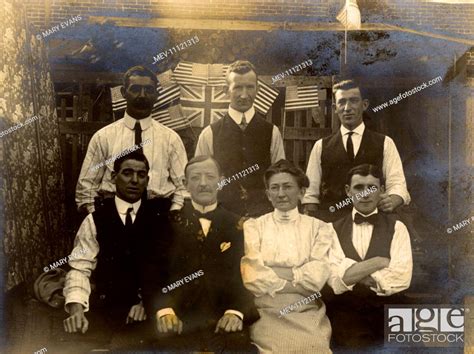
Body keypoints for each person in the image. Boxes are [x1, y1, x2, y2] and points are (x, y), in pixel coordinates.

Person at [142, 155, 260, 352]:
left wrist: (235, 311)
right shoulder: (166, 223)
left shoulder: (240, 225)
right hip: (177, 322)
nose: (203, 183)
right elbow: (152, 275)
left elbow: (250, 276)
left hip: (223, 323)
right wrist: (164, 310)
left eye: (210, 177)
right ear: (185, 184)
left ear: (221, 181)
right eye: (195, 178)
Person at [63, 152, 167, 350]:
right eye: (127, 173)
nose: (135, 180)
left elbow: (169, 269)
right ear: (113, 177)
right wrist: (76, 309)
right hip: (106, 312)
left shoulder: (161, 219)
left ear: (148, 179)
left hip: (149, 314)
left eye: (141, 174)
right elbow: (79, 269)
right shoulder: (95, 220)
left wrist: (149, 301)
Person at [241, 159, 333, 353]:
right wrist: (298, 278)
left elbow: (317, 278)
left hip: (306, 308)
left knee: (314, 346)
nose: (281, 194)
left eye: (287, 187)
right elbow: (253, 276)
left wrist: (273, 270)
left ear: (301, 192)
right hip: (265, 309)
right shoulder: (254, 226)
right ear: (268, 194)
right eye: (274, 188)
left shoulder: (319, 228)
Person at [76, 65, 187, 216]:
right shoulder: (103, 137)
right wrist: (99, 219)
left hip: (157, 216)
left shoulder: (171, 139)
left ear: (156, 95)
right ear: (123, 93)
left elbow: (184, 188)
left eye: (148, 90)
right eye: (135, 89)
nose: (142, 96)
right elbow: (86, 189)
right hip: (112, 215)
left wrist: (173, 215)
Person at [326, 164, 412, 348]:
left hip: (390, 310)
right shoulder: (331, 230)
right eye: (358, 187)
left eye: (371, 188)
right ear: (348, 191)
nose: (365, 194)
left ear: (381, 191)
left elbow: (402, 277)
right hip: (347, 312)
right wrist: (378, 262)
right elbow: (336, 280)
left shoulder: (397, 227)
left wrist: (354, 273)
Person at [302, 79, 410, 222]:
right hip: (333, 223)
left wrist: (393, 200)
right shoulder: (321, 146)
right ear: (335, 107)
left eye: (353, 101)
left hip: (373, 221)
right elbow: (310, 194)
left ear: (364, 105)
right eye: (342, 102)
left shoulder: (385, 143)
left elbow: (398, 185)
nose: (347, 108)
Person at [195, 60, 285, 217]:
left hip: (263, 218)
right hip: (221, 219)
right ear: (226, 90)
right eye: (237, 87)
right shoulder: (209, 133)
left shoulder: (272, 132)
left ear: (257, 89)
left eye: (250, 87)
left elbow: (280, 179)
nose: (244, 95)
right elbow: (200, 181)